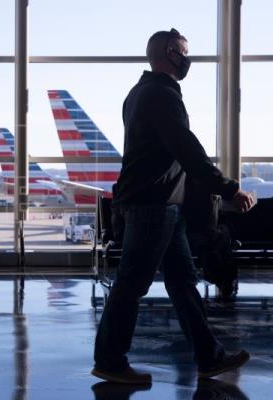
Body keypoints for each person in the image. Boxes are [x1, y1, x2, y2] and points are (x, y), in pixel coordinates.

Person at [92, 28, 254, 384]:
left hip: (162, 205)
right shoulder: (161, 95)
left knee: (183, 283)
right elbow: (187, 149)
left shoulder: (138, 93)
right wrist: (228, 189)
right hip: (154, 205)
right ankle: (109, 359)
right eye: (183, 51)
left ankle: (209, 357)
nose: (187, 58)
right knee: (131, 285)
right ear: (168, 52)